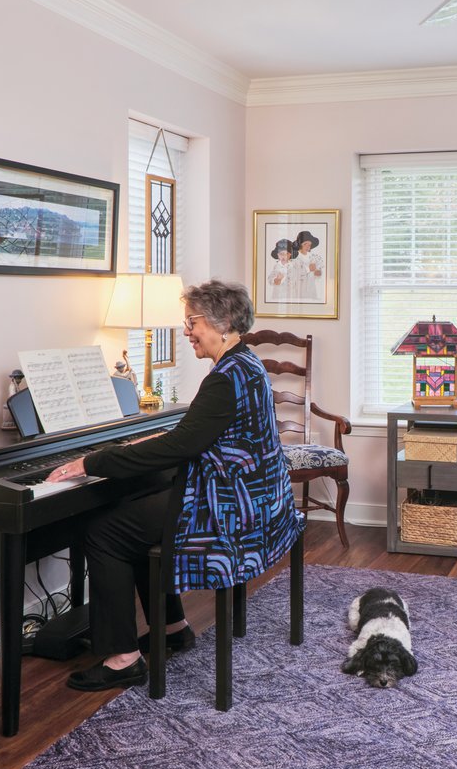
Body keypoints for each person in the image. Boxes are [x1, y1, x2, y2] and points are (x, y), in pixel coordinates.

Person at [47, 279, 304, 690]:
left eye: (191, 323)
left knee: (105, 530)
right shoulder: (246, 363)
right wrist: (146, 443)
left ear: (220, 323)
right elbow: (197, 432)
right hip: (254, 500)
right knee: (138, 510)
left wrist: (90, 461)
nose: (186, 332)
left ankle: (123, 658)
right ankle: (173, 627)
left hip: (226, 509)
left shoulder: (224, 377)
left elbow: (180, 446)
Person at [291, 229, 323, 301]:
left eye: (309, 244)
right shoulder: (294, 257)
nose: (308, 246)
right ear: (300, 244)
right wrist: (308, 269)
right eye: (305, 244)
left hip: (311, 288)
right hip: (299, 288)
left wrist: (318, 273)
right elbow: (293, 274)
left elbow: (318, 273)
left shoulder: (313, 257)